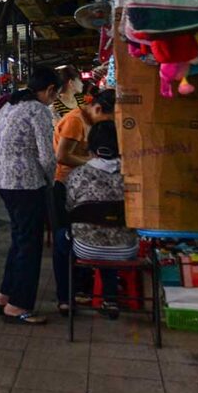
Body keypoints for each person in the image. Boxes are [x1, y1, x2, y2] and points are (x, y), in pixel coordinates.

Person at [0, 65, 61, 325]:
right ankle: (18, 305)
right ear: (50, 90)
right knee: (29, 245)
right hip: (26, 185)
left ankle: (5, 296)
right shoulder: (38, 110)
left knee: (20, 240)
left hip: (4, 182)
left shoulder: (9, 104)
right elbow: (46, 156)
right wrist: (54, 180)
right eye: (55, 95)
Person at [52, 89, 117, 313]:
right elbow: (62, 156)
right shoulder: (74, 121)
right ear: (97, 109)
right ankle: (97, 294)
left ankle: (69, 296)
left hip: (82, 190)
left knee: (72, 237)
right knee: (106, 228)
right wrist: (94, 165)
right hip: (68, 183)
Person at [66, 121, 133, 318]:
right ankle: (110, 299)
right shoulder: (132, 175)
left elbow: (70, 209)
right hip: (126, 249)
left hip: (86, 248)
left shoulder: (78, 175)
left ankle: (69, 295)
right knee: (113, 232)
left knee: (63, 241)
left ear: (91, 145)